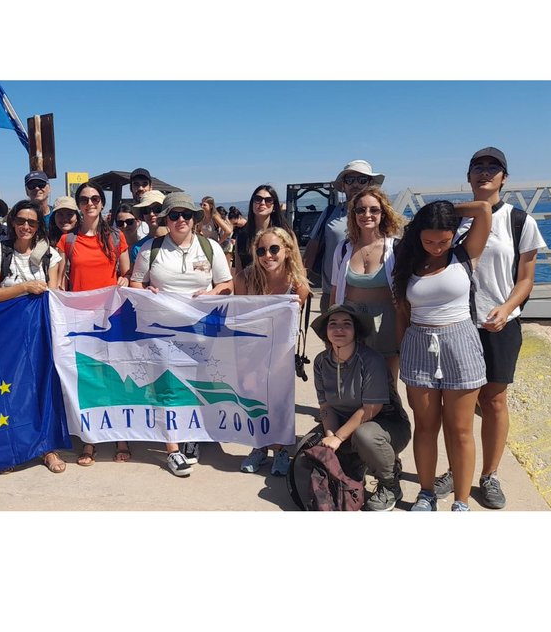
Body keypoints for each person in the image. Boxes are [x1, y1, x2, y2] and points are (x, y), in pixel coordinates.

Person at [429, 147, 547, 509]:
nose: (484, 173)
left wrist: (508, 308)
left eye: (493, 168)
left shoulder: (519, 221)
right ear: (468, 176)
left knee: (494, 401)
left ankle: (490, 474)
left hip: (498, 324)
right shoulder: (454, 220)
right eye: (477, 167)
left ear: (504, 178)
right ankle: (456, 468)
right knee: (455, 406)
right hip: (455, 324)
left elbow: (526, 278)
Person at [392, 199, 492, 511]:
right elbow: (402, 311)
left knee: (460, 429)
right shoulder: (406, 260)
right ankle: (426, 493)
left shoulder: (465, 254)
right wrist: (403, 348)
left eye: (444, 240)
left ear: (454, 236)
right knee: (425, 425)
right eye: (429, 240)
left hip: (460, 341)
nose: (436, 247)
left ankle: (461, 502)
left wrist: (444, 211)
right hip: (419, 341)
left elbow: (484, 211)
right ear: (418, 235)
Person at [130, 192, 232, 477]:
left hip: (201, 331)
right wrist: (146, 292)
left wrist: (210, 293)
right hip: (161, 332)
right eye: (173, 215)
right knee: (169, 386)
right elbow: (135, 283)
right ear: (166, 219)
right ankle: (172, 447)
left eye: (185, 214)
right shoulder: (151, 249)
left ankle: (192, 435)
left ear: (195, 218)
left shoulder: (210, 247)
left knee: (198, 384)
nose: (180, 220)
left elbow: (226, 283)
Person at [0, 200, 67, 474]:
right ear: (12, 222)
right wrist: (24, 287)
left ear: (38, 225)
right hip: (7, 333)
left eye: (31, 222)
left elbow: (53, 293)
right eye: (21, 221)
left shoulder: (49, 254)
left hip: (40, 329)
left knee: (42, 386)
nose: (25, 226)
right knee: (10, 388)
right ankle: (11, 449)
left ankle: (46, 447)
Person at [310, 304, 412, 511]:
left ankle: (390, 484)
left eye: (346, 324)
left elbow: (371, 409)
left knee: (365, 436)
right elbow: (326, 406)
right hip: (345, 427)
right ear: (326, 331)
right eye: (333, 324)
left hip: (385, 427)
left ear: (356, 331)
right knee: (313, 445)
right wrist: (331, 437)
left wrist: (338, 438)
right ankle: (359, 461)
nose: (339, 329)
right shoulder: (321, 362)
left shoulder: (371, 359)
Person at [56, 181, 131, 467]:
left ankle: (121, 436)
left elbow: (126, 272)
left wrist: (124, 279)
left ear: (102, 203)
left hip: (111, 317)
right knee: (89, 377)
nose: (90, 203)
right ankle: (91, 438)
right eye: (85, 199)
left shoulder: (115, 237)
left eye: (96, 198)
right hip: (82, 320)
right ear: (78, 204)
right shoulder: (68, 241)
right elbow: (62, 281)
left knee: (115, 373)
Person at [233, 226, 311, 476]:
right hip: (251, 350)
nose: (268, 255)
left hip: (281, 353)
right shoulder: (245, 279)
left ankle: (280, 450)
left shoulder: (298, 285)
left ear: (287, 250)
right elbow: (240, 316)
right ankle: (258, 447)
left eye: (274, 249)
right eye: (262, 250)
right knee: (254, 400)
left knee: (279, 402)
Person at [329, 187, 406, 386]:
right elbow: (335, 290)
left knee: (387, 382)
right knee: (352, 380)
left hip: (386, 319)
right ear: (353, 215)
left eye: (374, 210)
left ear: (384, 213)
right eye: (360, 210)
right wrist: (332, 325)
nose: (367, 215)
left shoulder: (395, 248)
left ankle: (389, 418)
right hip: (352, 319)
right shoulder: (344, 248)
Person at [302, 160, 386, 310]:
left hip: (373, 294)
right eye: (350, 180)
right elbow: (312, 248)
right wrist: (301, 282)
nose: (355, 184)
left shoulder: (382, 215)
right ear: (343, 185)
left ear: (370, 183)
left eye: (361, 180)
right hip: (332, 293)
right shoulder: (329, 213)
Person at [233, 185, 293, 272]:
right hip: (250, 284)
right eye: (258, 199)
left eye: (269, 200)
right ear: (252, 204)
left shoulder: (286, 234)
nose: (262, 203)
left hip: (279, 284)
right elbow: (238, 272)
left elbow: (295, 266)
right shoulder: (242, 237)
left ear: (274, 207)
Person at [128, 190, 166, 266]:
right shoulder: (138, 248)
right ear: (142, 215)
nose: (151, 214)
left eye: (157, 209)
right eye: (146, 210)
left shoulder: (179, 240)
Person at [129, 167, 154, 239]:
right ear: (131, 188)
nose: (140, 188)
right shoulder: (123, 216)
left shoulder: (160, 213)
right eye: (136, 184)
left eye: (144, 184)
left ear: (151, 187)